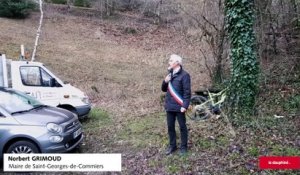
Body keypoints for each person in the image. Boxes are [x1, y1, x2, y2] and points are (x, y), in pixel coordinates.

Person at [161, 54, 191, 155]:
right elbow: (164, 89)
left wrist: (185, 106)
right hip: (169, 106)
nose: (169, 62)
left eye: (171, 60)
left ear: (177, 63)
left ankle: (183, 147)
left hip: (179, 106)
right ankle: (172, 146)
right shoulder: (169, 74)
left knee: (182, 127)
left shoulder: (185, 75)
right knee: (170, 127)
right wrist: (165, 81)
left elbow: (187, 92)